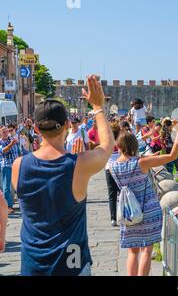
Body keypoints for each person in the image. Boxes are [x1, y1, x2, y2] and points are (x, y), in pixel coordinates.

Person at [11, 75, 115, 276]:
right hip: (71, 264)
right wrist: (98, 107)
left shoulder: (19, 166)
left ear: (35, 128)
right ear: (67, 124)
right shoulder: (78, 165)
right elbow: (108, 146)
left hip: (33, 264)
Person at [110, 122, 178, 276]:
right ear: (134, 145)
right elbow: (172, 156)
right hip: (148, 210)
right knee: (146, 250)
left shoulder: (113, 166)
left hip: (128, 212)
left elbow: (130, 162)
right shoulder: (142, 163)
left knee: (133, 251)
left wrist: (147, 158)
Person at [0, 126, 22, 214]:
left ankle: (22, 204)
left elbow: (18, 151)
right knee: (6, 188)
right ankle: (8, 206)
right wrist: (12, 144)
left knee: (19, 186)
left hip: (16, 166)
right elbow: (4, 150)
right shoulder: (1, 142)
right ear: (0, 134)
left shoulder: (12, 139)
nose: (6, 133)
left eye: (7, 131)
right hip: (6, 166)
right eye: (4, 132)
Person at [105, 122, 121, 227]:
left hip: (109, 169)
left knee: (112, 195)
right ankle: (124, 214)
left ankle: (113, 218)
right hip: (120, 168)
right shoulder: (120, 142)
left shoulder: (107, 142)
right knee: (123, 193)